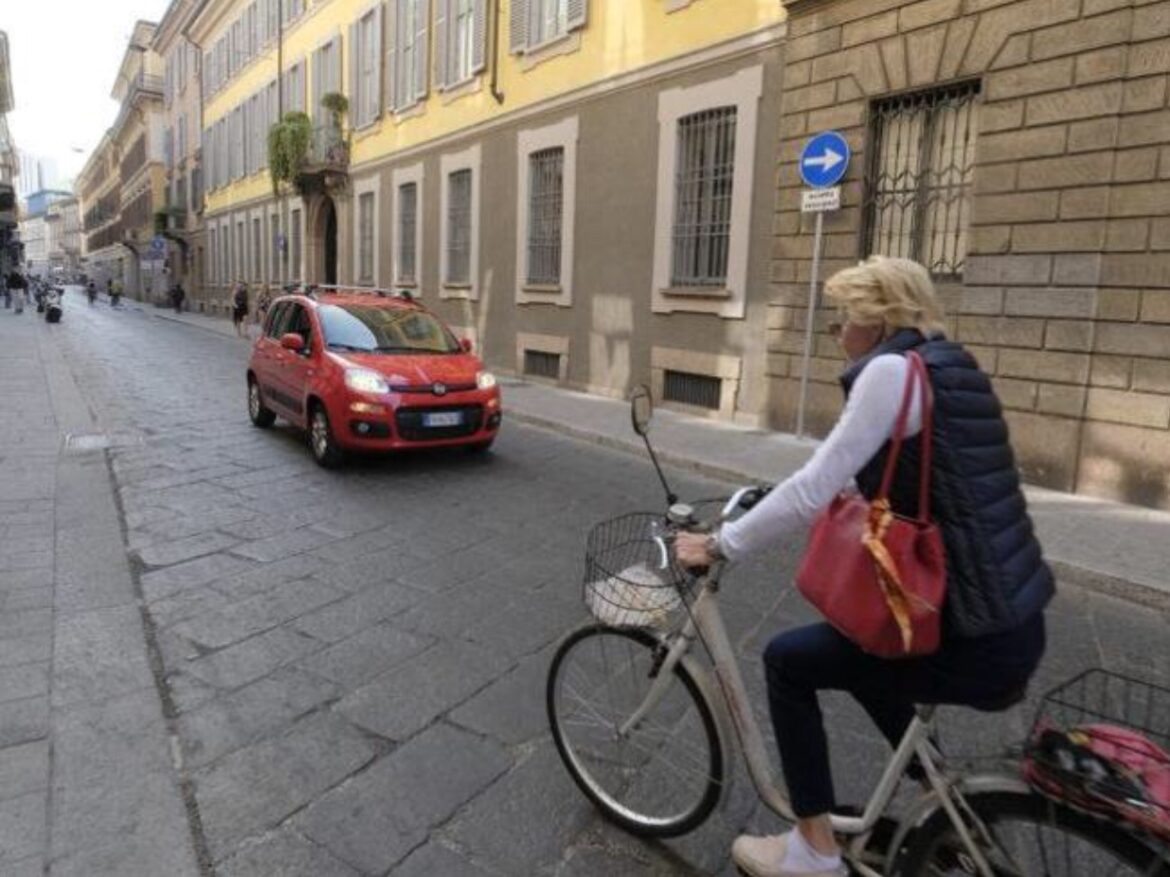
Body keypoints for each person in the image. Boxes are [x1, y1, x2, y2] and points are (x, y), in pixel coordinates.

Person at [676, 256, 1053, 877]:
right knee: (863, 651)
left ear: (875, 321)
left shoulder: (888, 373)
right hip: (1011, 618)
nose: (837, 334)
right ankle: (944, 797)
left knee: (789, 662)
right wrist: (764, 502)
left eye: (842, 319)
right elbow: (860, 472)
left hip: (965, 628)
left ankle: (812, 852)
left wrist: (720, 545)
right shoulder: (949, 367)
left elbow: (816, 489)